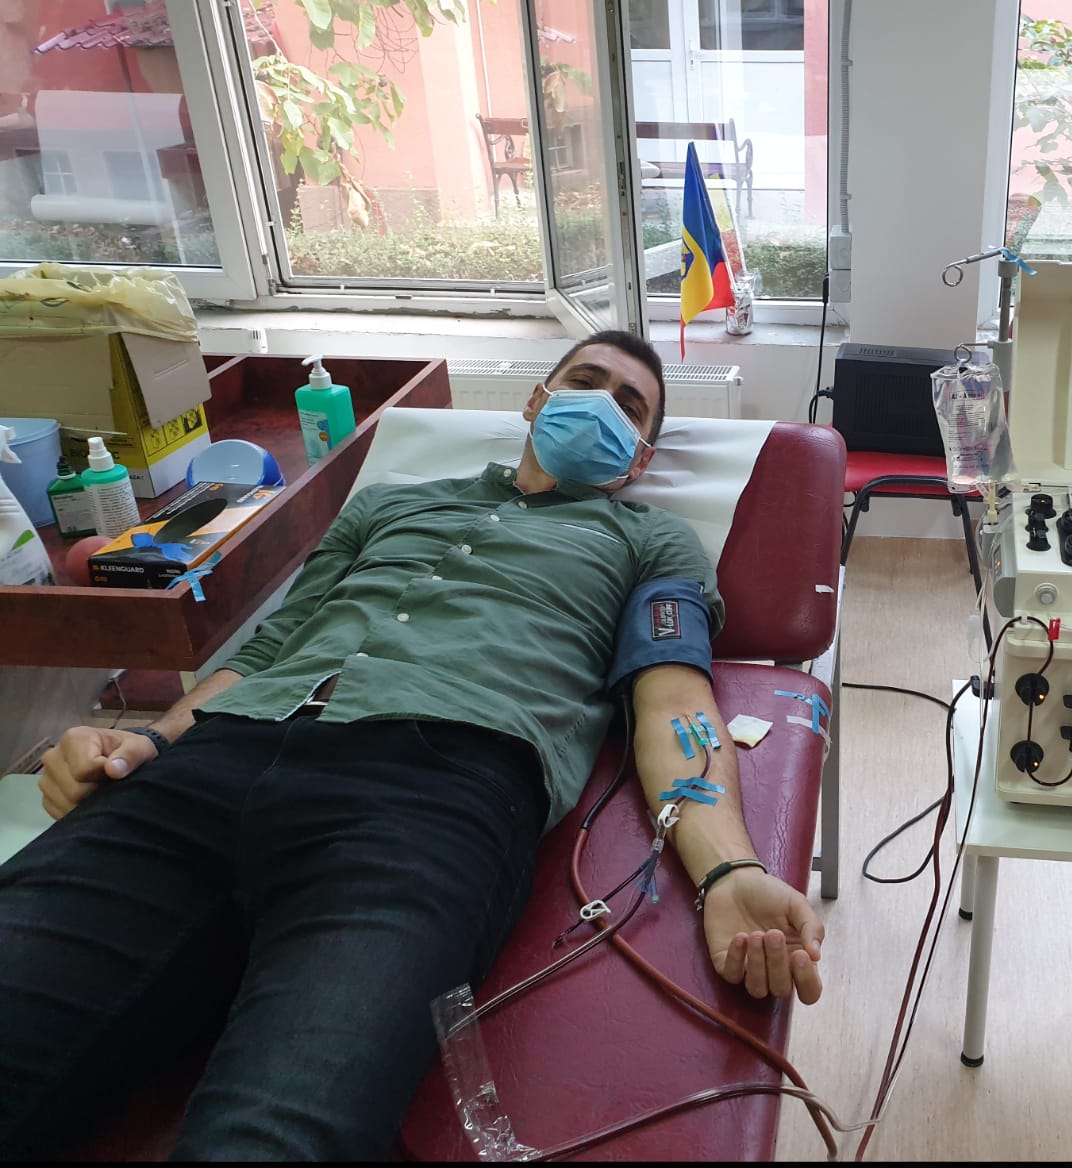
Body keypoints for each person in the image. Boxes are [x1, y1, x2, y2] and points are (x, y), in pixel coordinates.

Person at [0, 330, 826, 1160]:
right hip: (212, 764)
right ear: (536, 402)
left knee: (273, 1136)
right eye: (585, 382)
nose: (602, 405)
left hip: (430, 803)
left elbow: (674, 703)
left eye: (629, 405)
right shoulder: (386, 506)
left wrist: (729, 870)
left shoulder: (651, 542)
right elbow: (269, 648)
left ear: (639, 459)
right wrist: (150, 740)